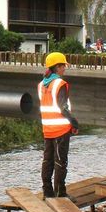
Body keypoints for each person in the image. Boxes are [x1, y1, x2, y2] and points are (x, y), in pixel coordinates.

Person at [38, 52, 79, 199]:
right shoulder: (60, 84)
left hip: (47, 129)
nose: (64, 69)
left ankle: (47, 192)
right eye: (63, 66)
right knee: (61, 161)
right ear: (57, 67)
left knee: (47, 161)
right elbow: (63, 107)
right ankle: (60, 194)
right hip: (61, 129)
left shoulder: (42, 85)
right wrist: (74, 122)